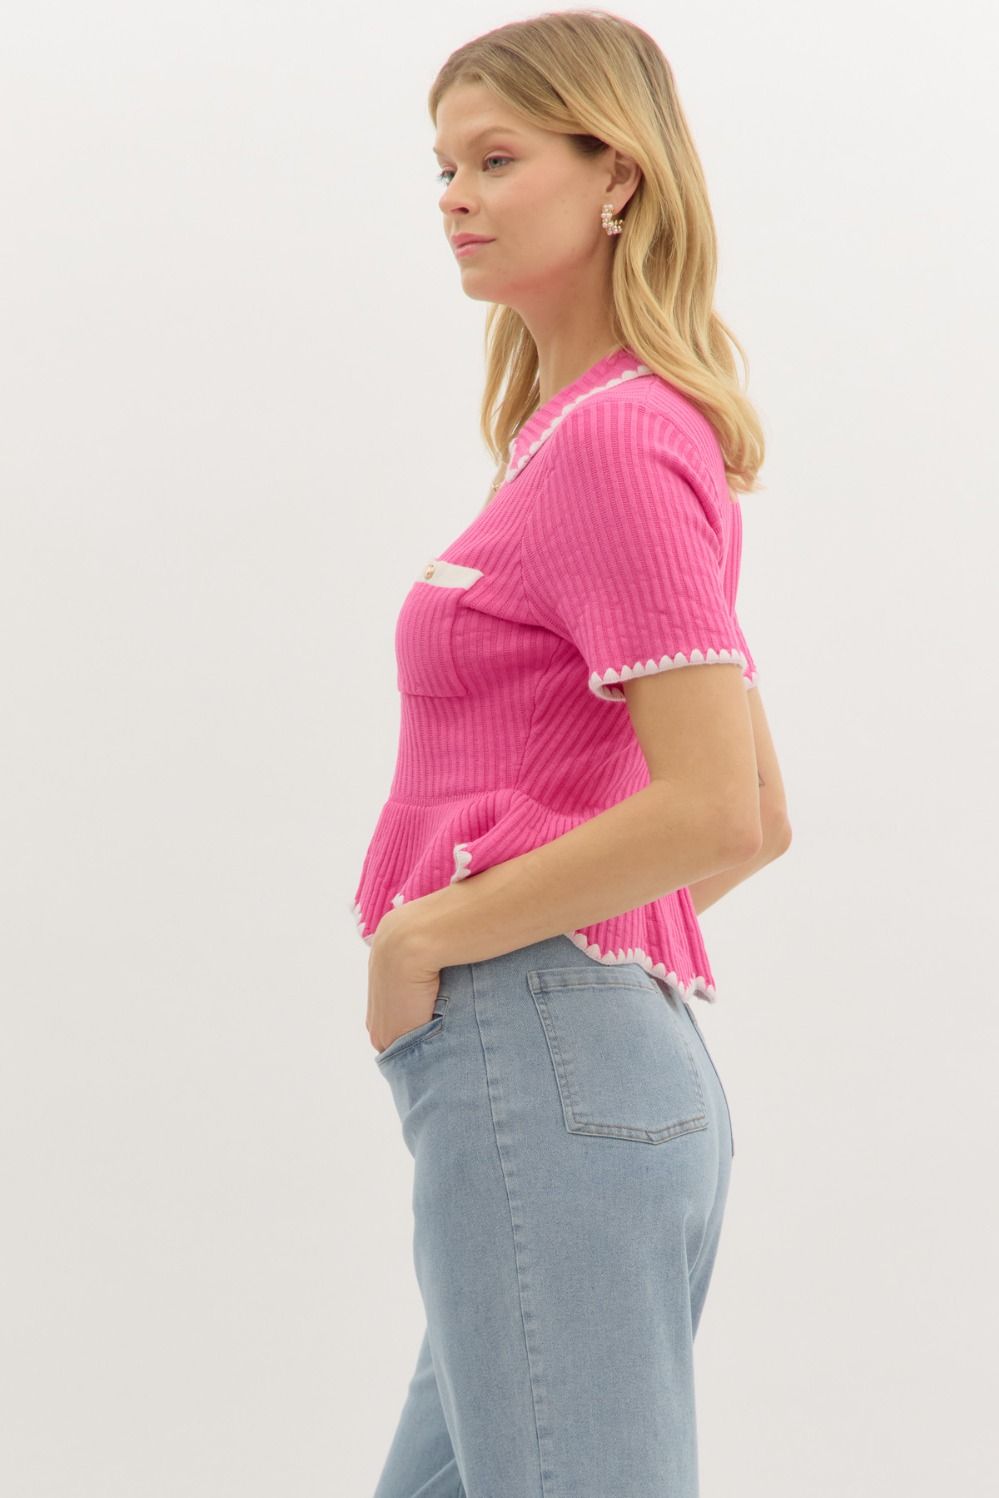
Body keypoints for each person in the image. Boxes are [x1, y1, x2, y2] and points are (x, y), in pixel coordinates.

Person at [353, 12, 792, 1496]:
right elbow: (756, 811)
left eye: (497, 159)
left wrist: (433, 937)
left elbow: (720, 808)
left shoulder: (614, 442)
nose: (455, 198)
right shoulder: (588, 435)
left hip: (547, 1067)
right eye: (444, 167)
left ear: (618, 175)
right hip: (582, 1061)